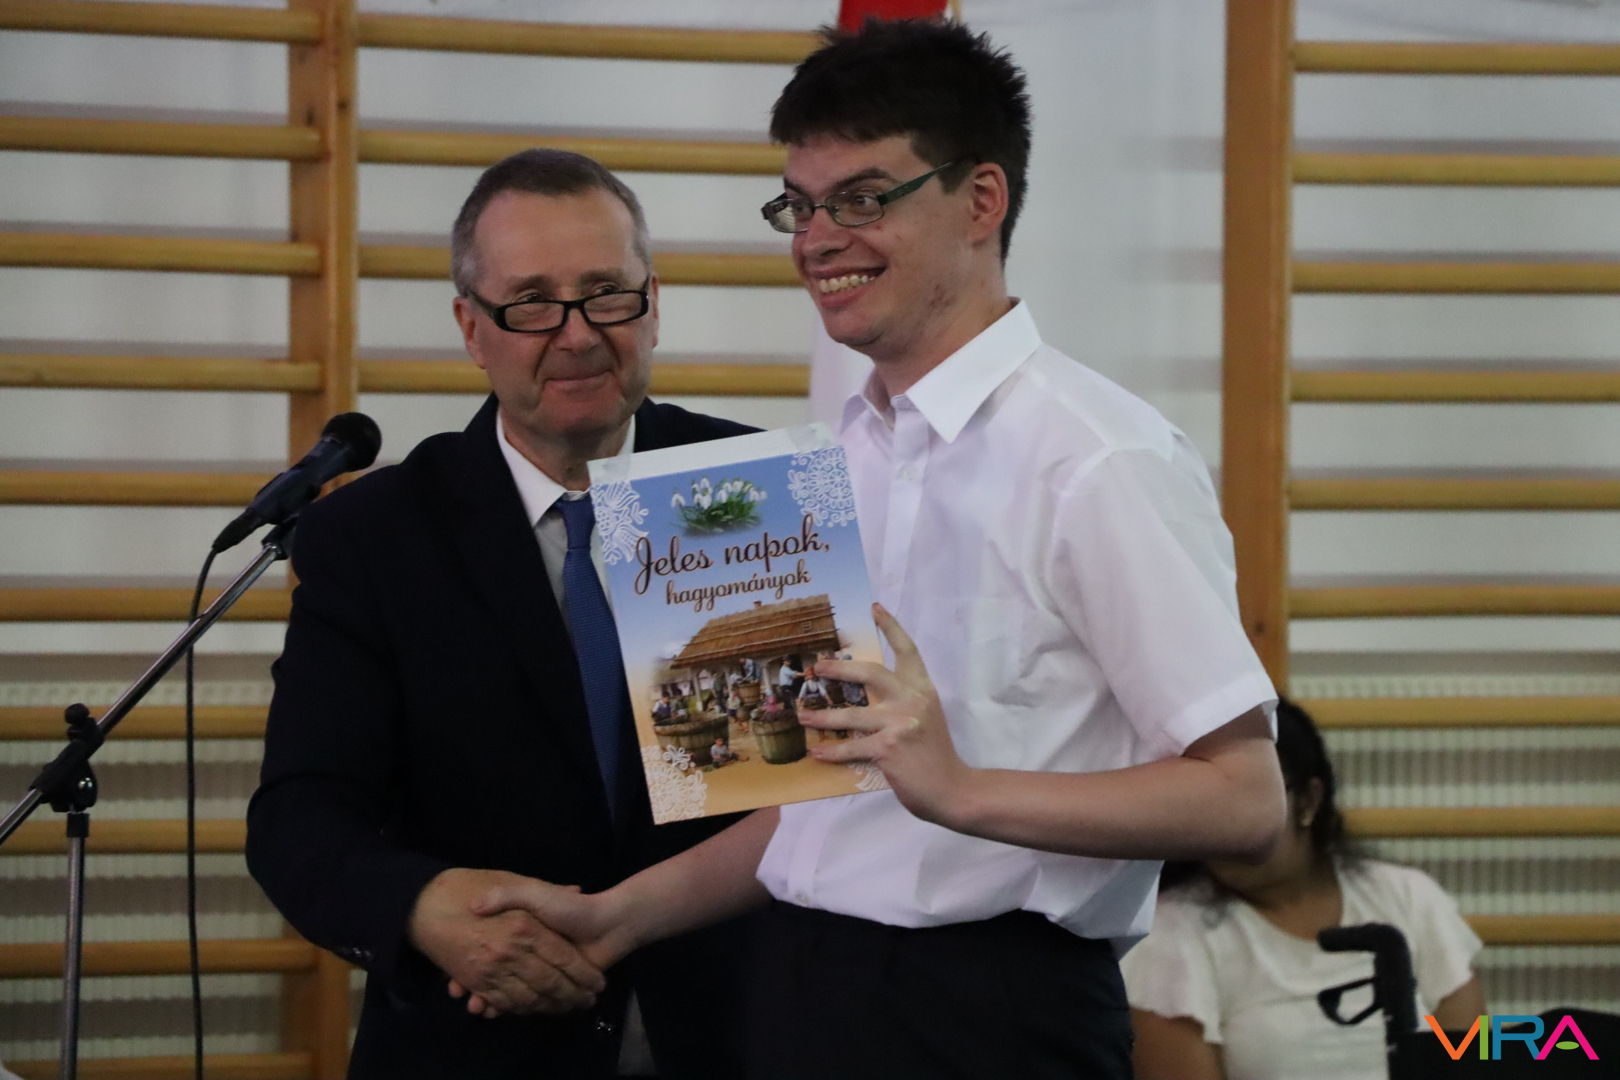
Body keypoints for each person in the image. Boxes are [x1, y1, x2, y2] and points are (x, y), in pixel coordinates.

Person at [470, 20, 1287, 1080]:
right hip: (800, 986)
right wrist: (616, 917)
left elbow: (1245, 799)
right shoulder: (832, 455)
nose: (818, 240)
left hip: (991, 1014)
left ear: (981, 201)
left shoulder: (1096, 456)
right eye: (800, 206)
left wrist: (960, 789)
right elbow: (823, 809)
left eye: (861, 199)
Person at [244, 150, 756, 1079]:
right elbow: (301, 819)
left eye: (606, 294)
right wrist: (422, 907)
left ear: (653, 303)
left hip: (734, 1039)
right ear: (471, 329)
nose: (576, 335)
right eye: (531, 303)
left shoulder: (738, 491)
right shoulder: (375, 535)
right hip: (476, 1047)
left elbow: (809, 793)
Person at [1122, 698, 1486, 1080]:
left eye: (1244, 799)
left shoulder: (1408, 897)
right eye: (1202, 806)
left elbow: (1466, 1059)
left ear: (1309, 800)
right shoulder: (1169, 936)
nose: (1221, 825)